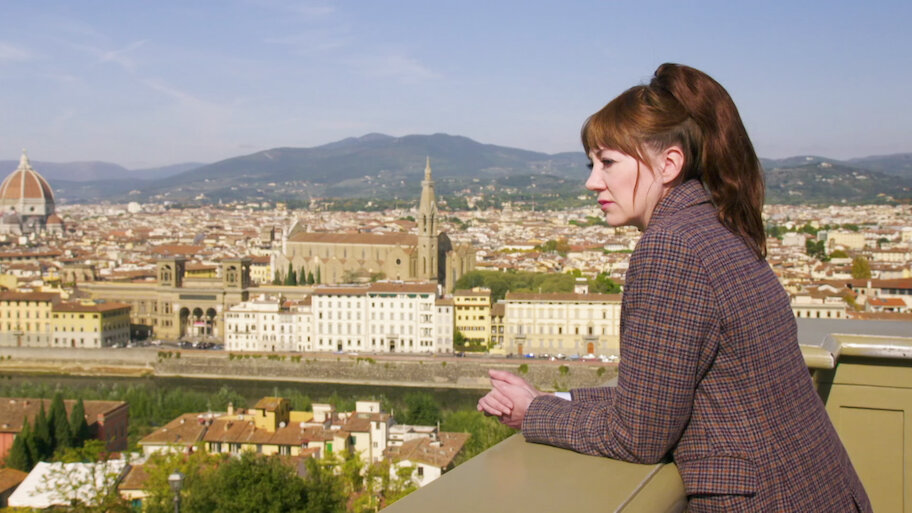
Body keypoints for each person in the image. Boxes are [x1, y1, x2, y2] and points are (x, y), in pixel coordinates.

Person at [477, 63, 871, 512]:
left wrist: (534, 413)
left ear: (669, 164)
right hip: (819, 488)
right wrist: (557, 398)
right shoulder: (719, 225)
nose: (592, 181)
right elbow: (665, 393)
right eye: (592, 164)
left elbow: (637, 437)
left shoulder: (671, 248)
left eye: (608, 162)